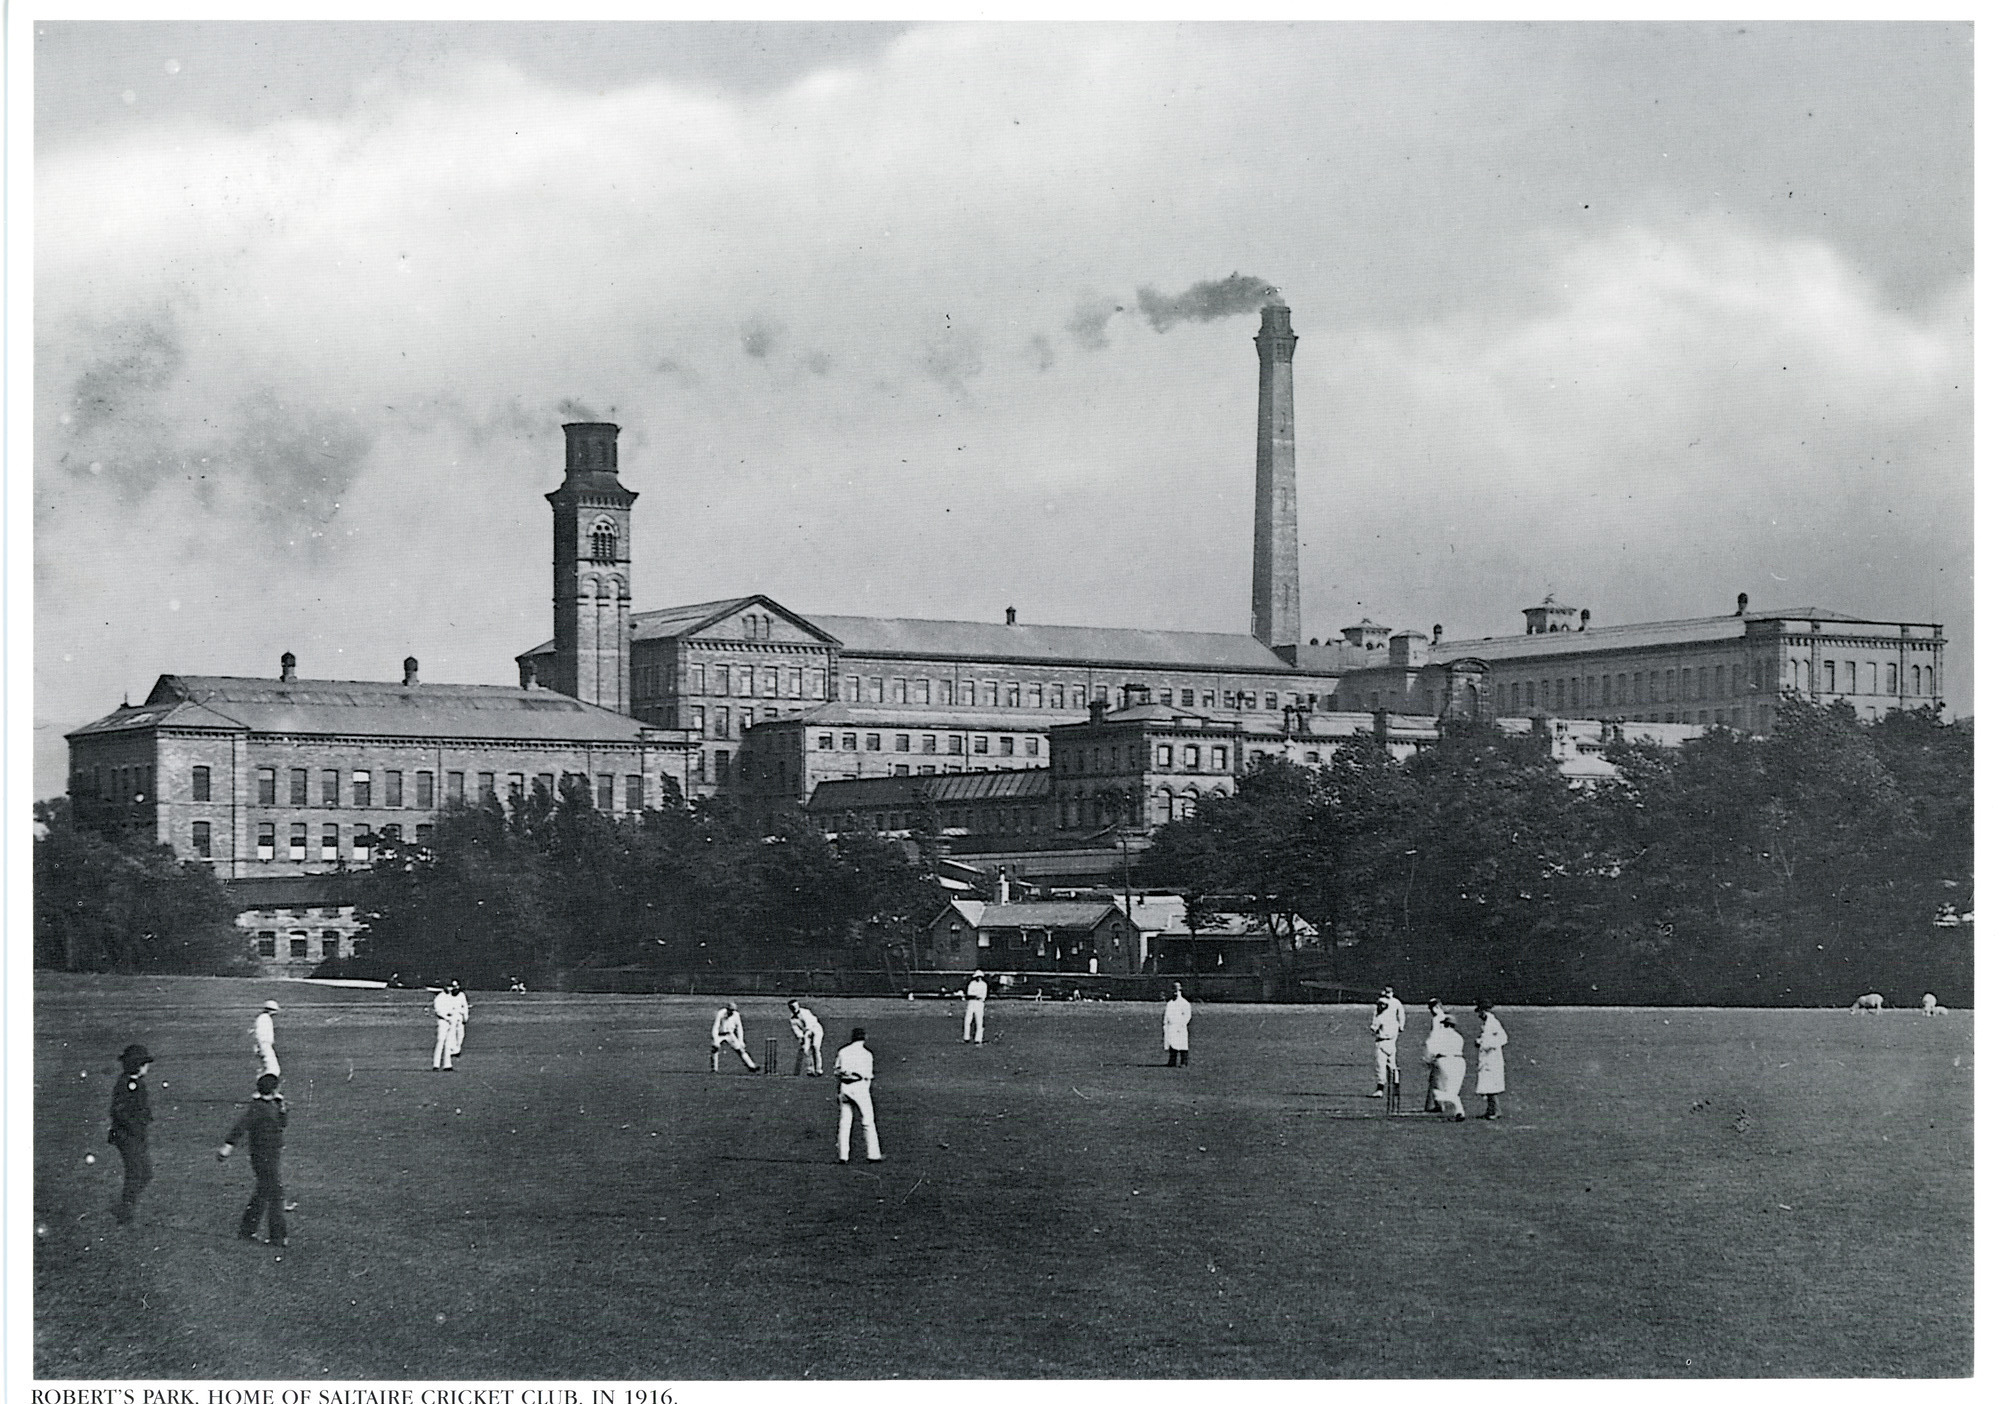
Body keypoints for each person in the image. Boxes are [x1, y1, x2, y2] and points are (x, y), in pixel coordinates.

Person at [218, 1073, 289, 1247]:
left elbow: (283, 1123)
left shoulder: (272, 1105)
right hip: (262, 1156)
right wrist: (228, 1145)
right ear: (274, 1089)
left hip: (272, 1154)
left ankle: (247, 1230)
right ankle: (278, 1237)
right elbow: (241, 1126)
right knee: (276, 1193)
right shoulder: (257, 1108)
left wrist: (282, 1107)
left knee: (263, 1192)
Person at [107, 1044, 154, 1225]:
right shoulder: (126, 1084)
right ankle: (125, 1212)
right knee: (136, 1172)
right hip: (126, 1136)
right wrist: (135, 1126)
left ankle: (126, 1205)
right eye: (145, 1064)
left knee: (146, 1173)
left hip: (136, 1135)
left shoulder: (137, 1083)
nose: (147, 1067)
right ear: (137, 1065)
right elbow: (118, 1111)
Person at [833, 1026, 883, 1163]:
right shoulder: (867, 1054)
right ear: (864, 1038)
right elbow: (868, 1076)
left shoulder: (843, 1051)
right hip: (860, 1086)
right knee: (867, 1121)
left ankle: (843, 1155)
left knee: (845, 1122)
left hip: (844, 1086)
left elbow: (837, 1071)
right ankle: (873, 1154)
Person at [1424, 1013, 1467, 1121]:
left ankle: (1453, 1109)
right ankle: (1459, 1112)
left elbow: (1430, 1047)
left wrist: (1428, 1060)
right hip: (1459, 1062)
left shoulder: (1439, 1035)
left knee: (1440, 1091)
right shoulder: (1459, 1037)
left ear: (1444, 1024)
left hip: (1444, 1061)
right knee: (1453, 1090)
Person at [1474, 1001, 1509, 1119]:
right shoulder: (1487, 1024)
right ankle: (1490, 1110)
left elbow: (1503, 1038)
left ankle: (1496, 1110)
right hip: (1488, 1057)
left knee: (1491, 1085)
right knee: (1486, 1084)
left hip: (1492, 1058)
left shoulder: (1493, 1023)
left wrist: (1484, 1044)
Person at [710, 1002, 758, 1072]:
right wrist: (715, 1039)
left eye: (733, 1010)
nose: (731, 1012)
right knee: (715, 1048)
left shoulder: (736, 1015)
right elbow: (716, 1026)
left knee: (740, 1050)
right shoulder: (721, 1013)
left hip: (730, 1034)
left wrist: (741, 1041)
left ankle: (751, 1066)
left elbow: (739, 1028)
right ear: (727, 1009)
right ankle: (714, 1069)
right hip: (719, 1034)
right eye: (730, 1010)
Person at [1368, 997, 1399, 1098]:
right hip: (1392, 1043)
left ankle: (1380, 1089)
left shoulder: (1380, 1017)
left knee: (1380, 1067)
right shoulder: (1393, 1018)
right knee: (1392, 1066)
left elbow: (1373, 1029)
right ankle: (1396, 1087)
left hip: (1382, 1042)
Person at [788, 999, 825, 1076]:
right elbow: (796, 1029)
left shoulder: (805, 1012)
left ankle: (818, 1069)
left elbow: (810, 1024)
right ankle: (810, 1069)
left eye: (795, 1007)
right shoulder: (792, 1018)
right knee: (806, 1050)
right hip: (806, 1033)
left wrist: (807, 1034)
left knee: (815, 1047)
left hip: (816, 1030)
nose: (794, 1009)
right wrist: (801, 1037)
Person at [1422, 998, 1446, 1111]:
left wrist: (1429, 1055)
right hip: (1444, 1051)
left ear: (1437, 1007)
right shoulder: (1444, 1018)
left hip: (1438, 1053)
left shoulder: (1437, 1019)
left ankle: (1438, 1105)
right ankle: (1437, 1104)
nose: (1430, 1011)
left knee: (1435, 1079)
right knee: (1435, 1079)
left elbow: (1434, 1037)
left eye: (1431, 1008)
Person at [1163, 981, 1193, 1067]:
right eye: (1173, 990)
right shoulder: (1170, 1003)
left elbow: (1187, 1015)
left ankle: (1184, 1062)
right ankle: (1172, 1061)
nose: (1175, 993)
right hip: (1172, 1026)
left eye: (1177, 990)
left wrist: (1182, 1024)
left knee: (1182, 1044)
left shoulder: (1184, 1003)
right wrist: (1166, 1024)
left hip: (1180, 1026)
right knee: (1172, 1043)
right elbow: (1167, 1015)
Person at [432, 984, 461, 1070]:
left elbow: (455, 1008)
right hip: (443, 1021)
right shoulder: (440, 997)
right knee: (440, 1041)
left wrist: (454, 1017)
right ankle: (436, 1064)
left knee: (449, 1043)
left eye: (451, 987)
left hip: (451, 1021)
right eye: (448, 987)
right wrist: (446, 1017)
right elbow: (438, 1010)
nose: (450, 988)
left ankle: (447, 1065)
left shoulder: (451, 997)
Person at [251, 999, 281, 1077]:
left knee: (263, 1069)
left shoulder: (262, 1018)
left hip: (262, 1046)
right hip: (264, 1045)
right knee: (273, 1069)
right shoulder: (264, 1019)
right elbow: (260, 1035)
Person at [962, 970, 989, 1044]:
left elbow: (983, 996)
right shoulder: (972, 983)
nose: (978, 978)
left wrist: (975, 995)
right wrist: (975, 995)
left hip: (979, 1003)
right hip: (972, 1003)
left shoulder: (984, 984)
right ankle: (966, 1037)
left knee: (979, 1021)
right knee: (968, 1020)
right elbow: (969, 993)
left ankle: (978, 1038)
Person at [444, 980, 470, 1059]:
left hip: (459, 1016)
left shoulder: (461, 995)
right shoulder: (448, 995)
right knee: (452, 1033)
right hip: (452, 1016)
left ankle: (457, 1049)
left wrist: (465, 1017)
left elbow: (465, 1006)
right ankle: (453, 1049)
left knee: (460, 1034)